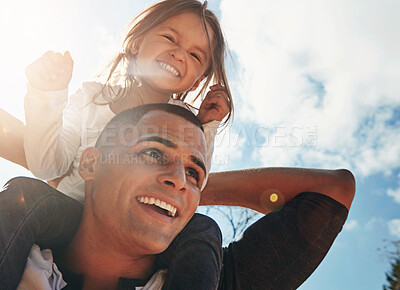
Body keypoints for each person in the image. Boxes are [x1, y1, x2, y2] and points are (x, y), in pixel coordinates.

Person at [3, 0, 232, 288]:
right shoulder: (93, 96)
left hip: (137, 229)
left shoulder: (186, 122)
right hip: (72, 217)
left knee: (204, 229)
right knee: (26, 194)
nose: (178, 54)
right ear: (136, 42)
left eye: (195, 56)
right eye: (169, 38)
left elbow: (189, 180)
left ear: (198, 81)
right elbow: (47, 164)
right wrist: (46, 95)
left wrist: (207, 126)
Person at [0, 104, 355, 289]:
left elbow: (333, 190)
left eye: (194, 171)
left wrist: (185, 193)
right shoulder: (16, 239)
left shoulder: (215, 278)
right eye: (153, 153)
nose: (179, 179)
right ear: (91, 164)